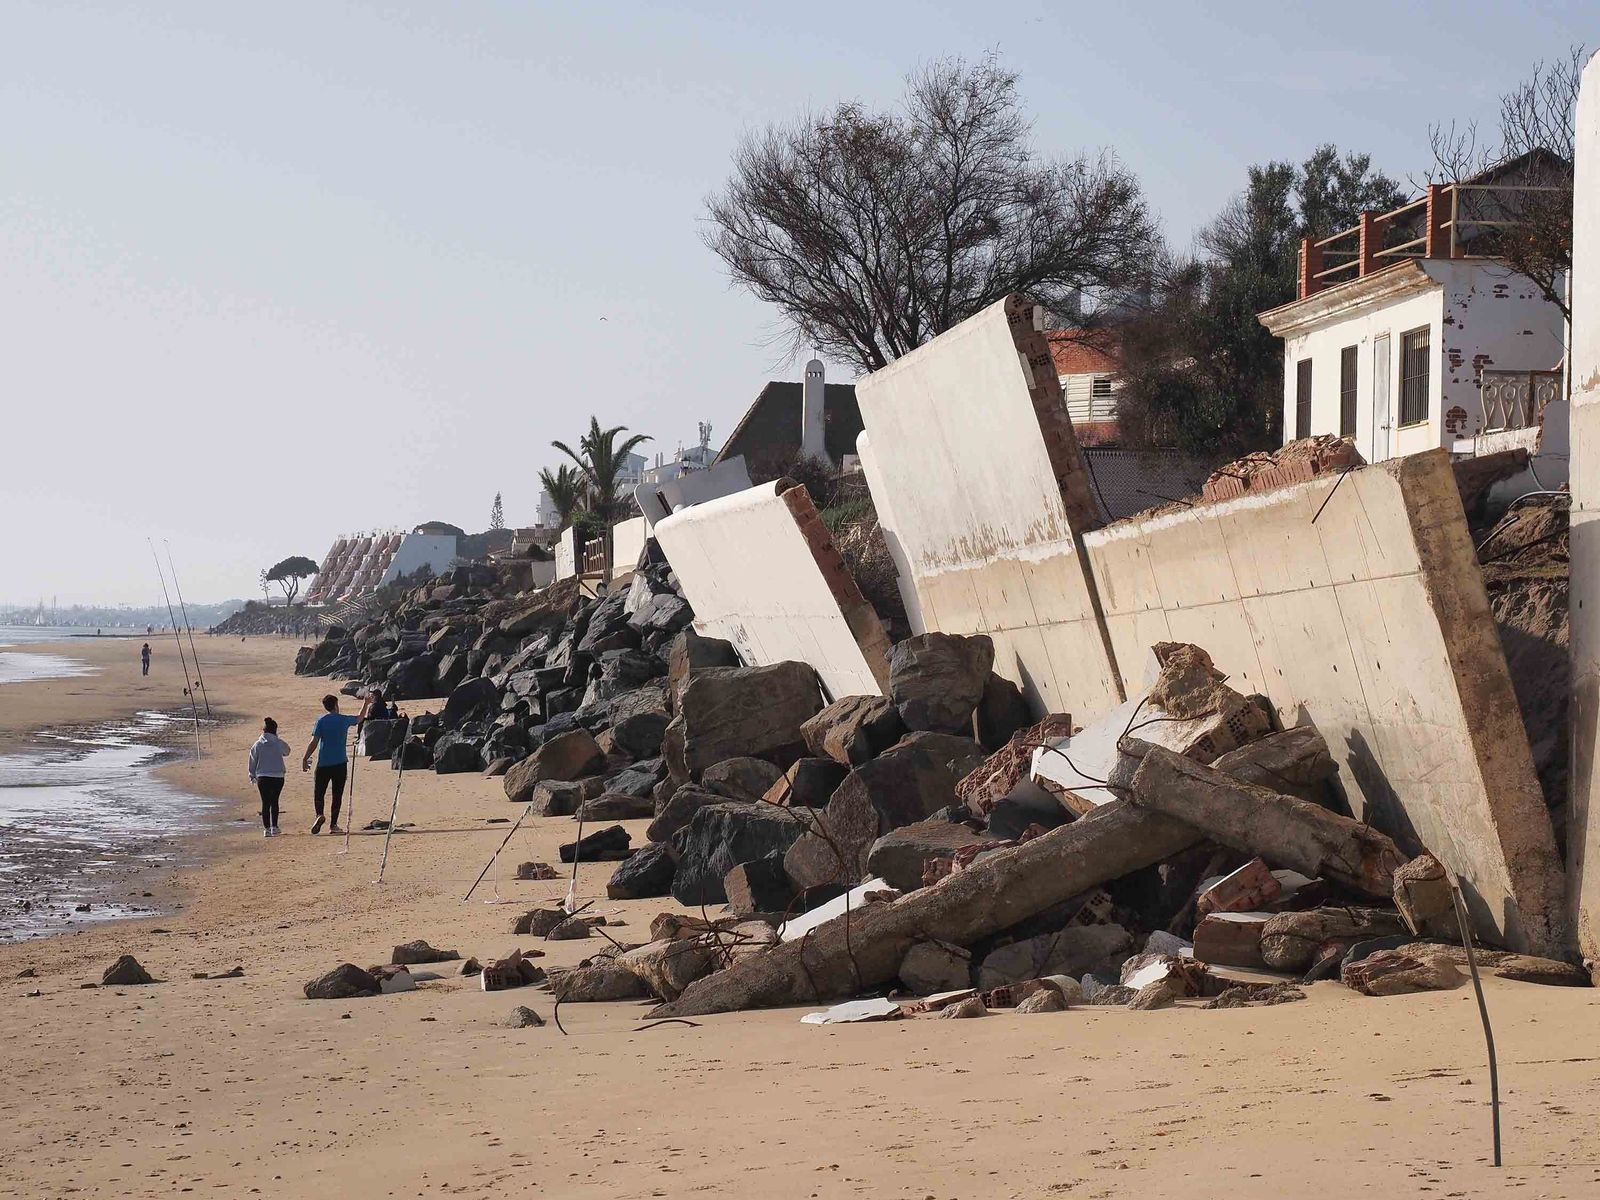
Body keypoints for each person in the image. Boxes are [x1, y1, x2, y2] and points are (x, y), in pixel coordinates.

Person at [301, 693, 369, 835]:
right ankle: (333, 825)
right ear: (336, 705)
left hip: (323, 763)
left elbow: (314, 742)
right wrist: (366, 703)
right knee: (337, 794)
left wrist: (305, 757)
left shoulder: (321, 721)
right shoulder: (343, 720)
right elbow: (359, 718)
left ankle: (319, 814)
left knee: (319, 792)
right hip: (340, 762)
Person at [248, 718, 290, 837]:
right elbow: (287, 751)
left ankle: (266, 829)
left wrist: (252, 774)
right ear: (275, 731)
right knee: (274, 801)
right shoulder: (278, 742)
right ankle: (274, 827)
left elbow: (252, 760)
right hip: (278, 776)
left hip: (263, 776)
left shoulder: (258, 744)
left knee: (265, 802)